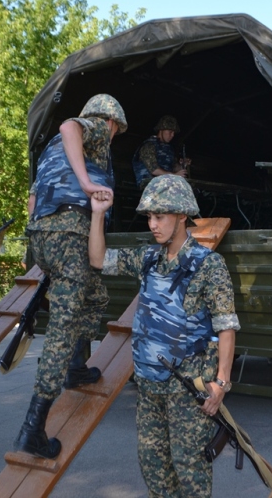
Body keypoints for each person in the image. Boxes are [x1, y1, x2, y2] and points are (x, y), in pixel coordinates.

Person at [88, 175, 240, 497]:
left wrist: (222, 384)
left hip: (187, 390)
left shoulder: (209, 266)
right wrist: (98, 214)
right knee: (154, 468)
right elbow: (98, 259)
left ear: (182, 215)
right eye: (149, 217)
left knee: (190, 472)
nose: (152, 224)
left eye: (160, 216)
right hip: (148, 387)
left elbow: (226, 327)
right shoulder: (148, 260)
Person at [14, 94, 127, 459]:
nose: (113, 137)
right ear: (110, 121)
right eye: (116, 130)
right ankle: (33, 428)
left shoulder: (50, 152)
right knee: (62, 329)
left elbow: (32, 200)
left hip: (45, 236)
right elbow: (68, 124)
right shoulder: (91, 127)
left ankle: (77, 367)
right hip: (70, 235)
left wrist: (37, 243)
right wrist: (86, 183)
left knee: (95, 297)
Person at [132, 115, 190, 188]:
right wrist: (174, 176)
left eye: (173, 133)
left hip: (166, 184)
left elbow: (174, 168)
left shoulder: (169, 149)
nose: (172, 135)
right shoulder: (149, 145)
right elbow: (154, 170)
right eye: (170, 132)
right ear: (161, 130)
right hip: (149, 184)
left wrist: (182, 165)